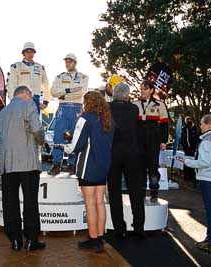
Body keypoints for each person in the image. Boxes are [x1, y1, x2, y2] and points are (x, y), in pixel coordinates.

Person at [0, 86, 46, 251]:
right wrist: (41, 141)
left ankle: (15, 240)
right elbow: (37, 129)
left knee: (10, 203)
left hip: (7, 162)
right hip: (27, 161)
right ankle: (32, 239)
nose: (31, 98)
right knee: (30, 201)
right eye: (30, 95)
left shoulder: (2, 112)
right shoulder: (29, 105)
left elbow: (0, 132)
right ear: (25, 94)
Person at [64, 91, 113, 251]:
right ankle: (99, 238)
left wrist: (66, 147)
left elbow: (76, 144)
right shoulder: (108, 119)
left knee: (90, 203)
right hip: (104, 166)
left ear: (88, 103)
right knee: (100, 202)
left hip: (88, 167)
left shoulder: (85, 118)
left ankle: (93, 240)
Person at [178, 114, 211, 253]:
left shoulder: (207, 141)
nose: (200, 126)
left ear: (209, 125)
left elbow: (204, 162)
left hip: (208, 178)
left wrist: (187, 161)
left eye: (201, 124)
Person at [107, 82, 146, 240]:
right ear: (127, 95)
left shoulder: (108, 108)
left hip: (112, 154)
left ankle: (119, 229)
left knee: (114, 192)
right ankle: (139, 227)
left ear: (114, 94)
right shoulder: (134, 109)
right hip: (132, 155)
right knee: (135, 191)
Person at [48, 53, 89, 175]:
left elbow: (81, 92)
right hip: (62, 108)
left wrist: (63, 94)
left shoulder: (83, 77)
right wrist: (69, 90)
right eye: (66, 61)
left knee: (74, 136)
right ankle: (56, 164)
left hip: (77, 108)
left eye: (70, 61)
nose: (67, 63)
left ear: (75, 63)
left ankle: (72, 164)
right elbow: (53, 92)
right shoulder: (59, 76)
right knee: (58, 136)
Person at [133, 80, 169, 203]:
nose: (142, 91)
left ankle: (154, 192)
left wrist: (164, 141)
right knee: (139, 168)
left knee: (153, 167)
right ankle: (141, 193)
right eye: (141, 88)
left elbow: (164, 124)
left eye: (145, 88)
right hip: (139, 139)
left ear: (152, 90)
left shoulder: (160, 104)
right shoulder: (135, 104)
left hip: (154, 139)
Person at [7, 42, 51, 113]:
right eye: (27, 52)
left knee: (35, 124)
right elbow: (11, 86)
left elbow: (46, 85)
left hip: (35, 100)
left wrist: (46, 102)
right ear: (23, 53)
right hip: (20, 100)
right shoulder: (16, 67)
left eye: (31, 52)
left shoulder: (40, 68)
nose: (29, 54)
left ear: (34, 53)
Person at [180, 116, 200, 185]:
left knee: (193, 163)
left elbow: (197, 137)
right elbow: (183, 139)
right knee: (187, 162)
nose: (189, 121)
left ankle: (193, 177)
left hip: (194, 148)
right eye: (187, 120)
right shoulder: (184, 129)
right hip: (187, 149)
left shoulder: (194, 128)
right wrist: (185, 147)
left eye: (190, 120)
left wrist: (194, 146)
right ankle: (187, 176)